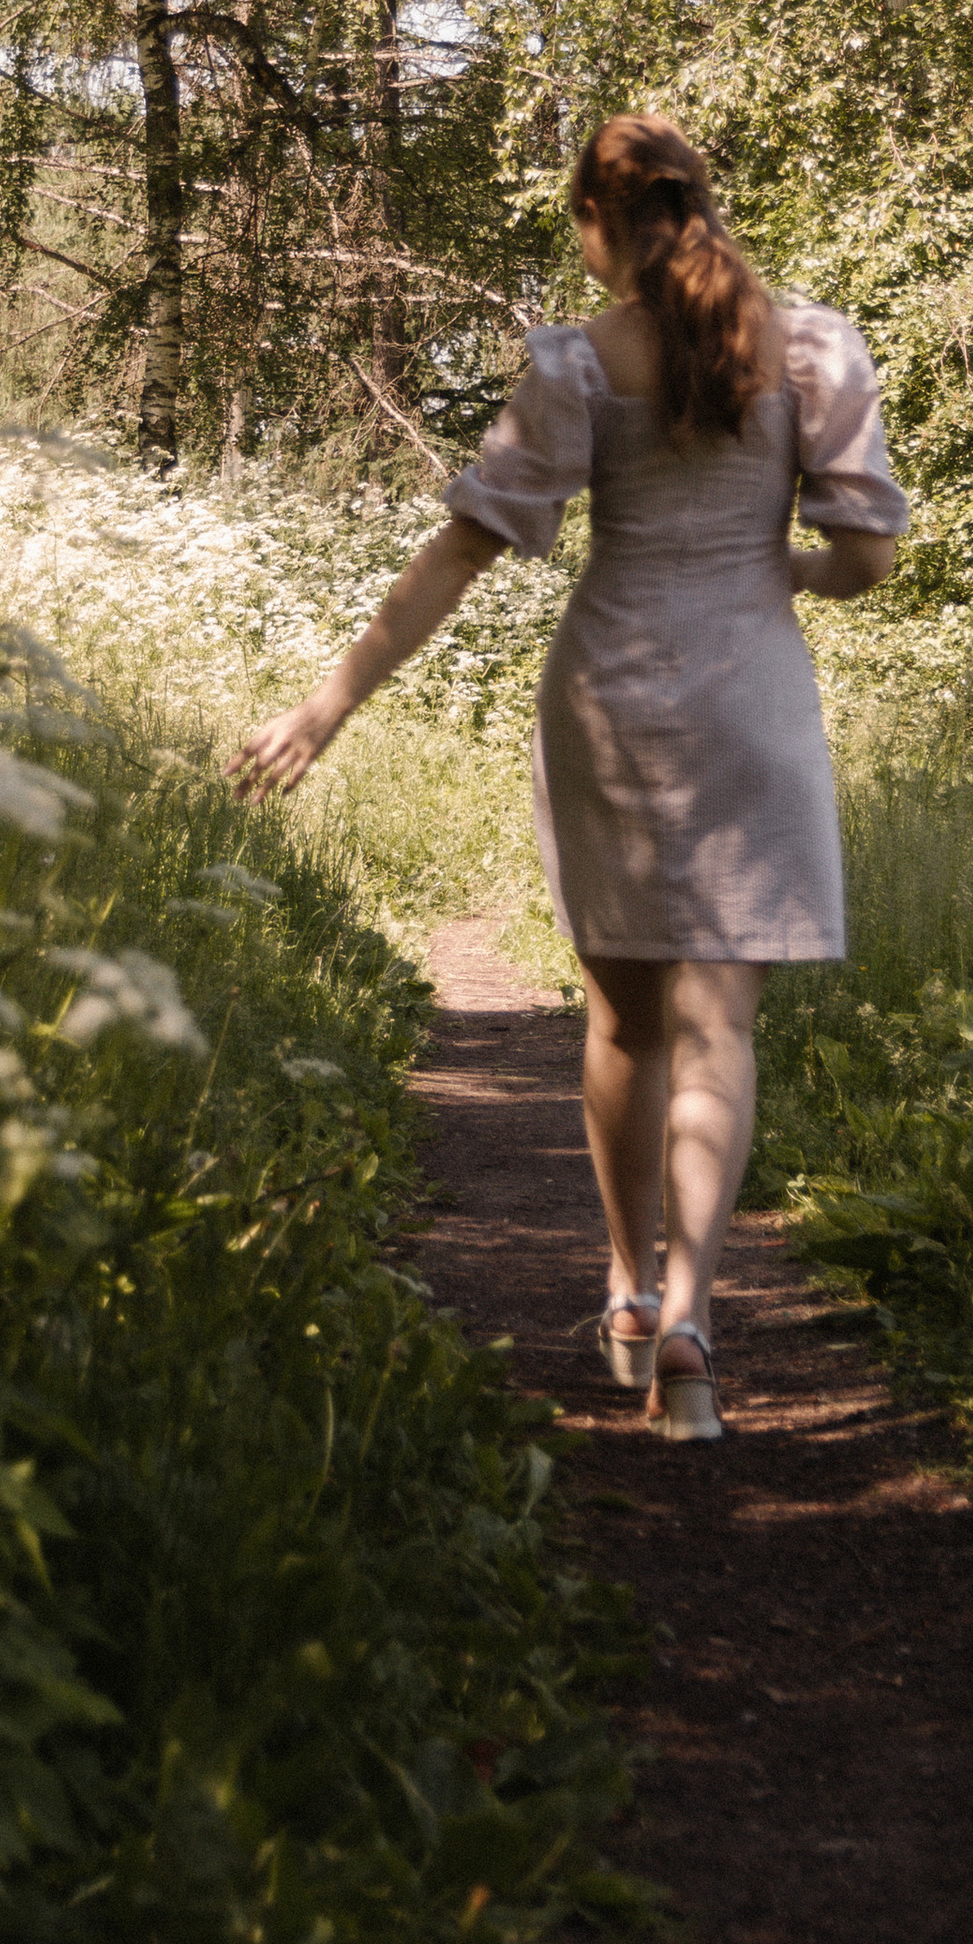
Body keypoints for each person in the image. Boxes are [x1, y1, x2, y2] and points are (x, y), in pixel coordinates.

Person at [228, 113, 908, 1441]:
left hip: (610, 699)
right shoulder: (812, 347)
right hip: (751, 701)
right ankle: (699, 1323)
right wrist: (795, 574)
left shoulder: (578, 368)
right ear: (697, 205)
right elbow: (866, 554)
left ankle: (625, 1292)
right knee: (723, 1030)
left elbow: (464, 549)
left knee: (624, 1022)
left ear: (601, 224)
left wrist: (329, 703)